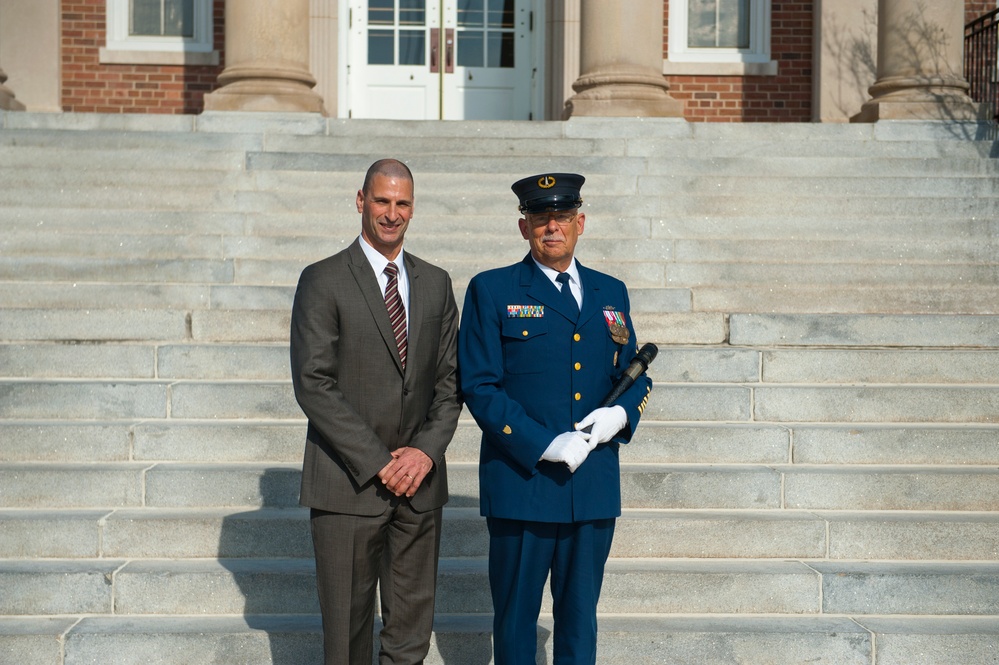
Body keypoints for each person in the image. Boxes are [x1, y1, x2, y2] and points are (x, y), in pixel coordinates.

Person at [458, 172, 653, 664]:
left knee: (579, 623)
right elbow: (479, 385)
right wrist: (542, 444)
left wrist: (620, 417)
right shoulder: (493, 289)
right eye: (540, 217)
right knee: (517, 623)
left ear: (580, 223)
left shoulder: (612, 291)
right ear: (523, 227)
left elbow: (634, 374)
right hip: (523, 484)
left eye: (562, 217)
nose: (551, 227)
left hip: (592, 488)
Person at [290, 158, 461, 665]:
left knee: (411, 636)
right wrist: (381, 461)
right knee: (346, 640)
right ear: (361, 200)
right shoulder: (322, 280)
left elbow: (450, 385)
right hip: (348, 484)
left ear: (413, 208)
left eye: (402, 203)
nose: (392, 213)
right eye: (382, 200)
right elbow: (313, 384)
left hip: (419, 488)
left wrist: (424, 455)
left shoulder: (435, 283)